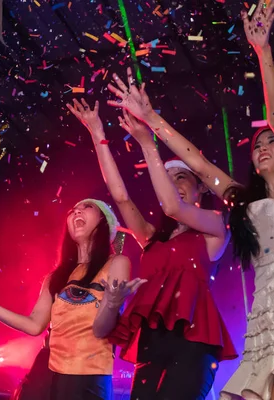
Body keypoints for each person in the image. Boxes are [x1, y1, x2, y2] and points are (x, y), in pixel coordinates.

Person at [108, 1, 274, 397]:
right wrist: (152, 121)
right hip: (266, 315)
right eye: (257, 147)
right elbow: (198, 163)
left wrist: (263, 51)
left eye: (272, 140)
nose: (264, 147)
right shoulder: (243, 206)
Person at [66, 91, 236, 399]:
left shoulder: (214, 226)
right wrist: (98, 134)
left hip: (194, 341)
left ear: (199, 187)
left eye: (182, 177)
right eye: (169, 180)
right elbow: (120, 197)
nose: (175, 185)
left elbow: (173, 207)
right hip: (151, 340)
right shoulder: (151, 238)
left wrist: (148, 142)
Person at [0, 198, 144, 400]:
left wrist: (113, 304)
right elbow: (33, 326)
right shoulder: (56, 277)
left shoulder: (116, 263)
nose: (76, 211)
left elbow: (100, 330)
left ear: (103, 221)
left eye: (87, 207)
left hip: (88, 377)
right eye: (73, 210)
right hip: (46, 376)